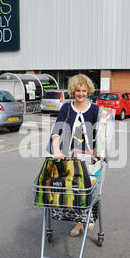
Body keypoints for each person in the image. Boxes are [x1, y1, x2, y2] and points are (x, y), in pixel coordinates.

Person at [48, 74, 100, 236]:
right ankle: (79, 222)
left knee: (88, 190)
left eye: (84, 90)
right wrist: (56, 150)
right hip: (68, 156)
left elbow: (101, 133)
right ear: (73, 91)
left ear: (89, 91)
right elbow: (56, 131)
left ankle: (85, 220)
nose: (81, 94)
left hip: (89, 157)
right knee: (73, 190)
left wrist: (98, 150)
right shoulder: (66, 108)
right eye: (78, 90)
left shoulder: (95, 109)